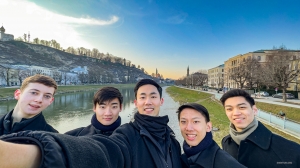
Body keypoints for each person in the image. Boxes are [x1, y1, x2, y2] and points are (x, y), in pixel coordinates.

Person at [0, 79, 182, 168]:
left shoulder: (172, 140)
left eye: (153, 96)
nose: (108, 112)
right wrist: (34, 152)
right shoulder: (127, 135)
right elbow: (99, 151)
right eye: (143, 97)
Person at [220, 89, 300, 168]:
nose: (236, 113)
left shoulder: (292, 151)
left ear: (254, 110)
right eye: (229, 109)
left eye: (242, 107)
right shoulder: (226, 142)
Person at [178, 103, 246, 168]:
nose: (188, 128)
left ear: (208, 127)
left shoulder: (224, 162)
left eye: (195, 122)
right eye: (183, 122)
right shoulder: (179, 158)